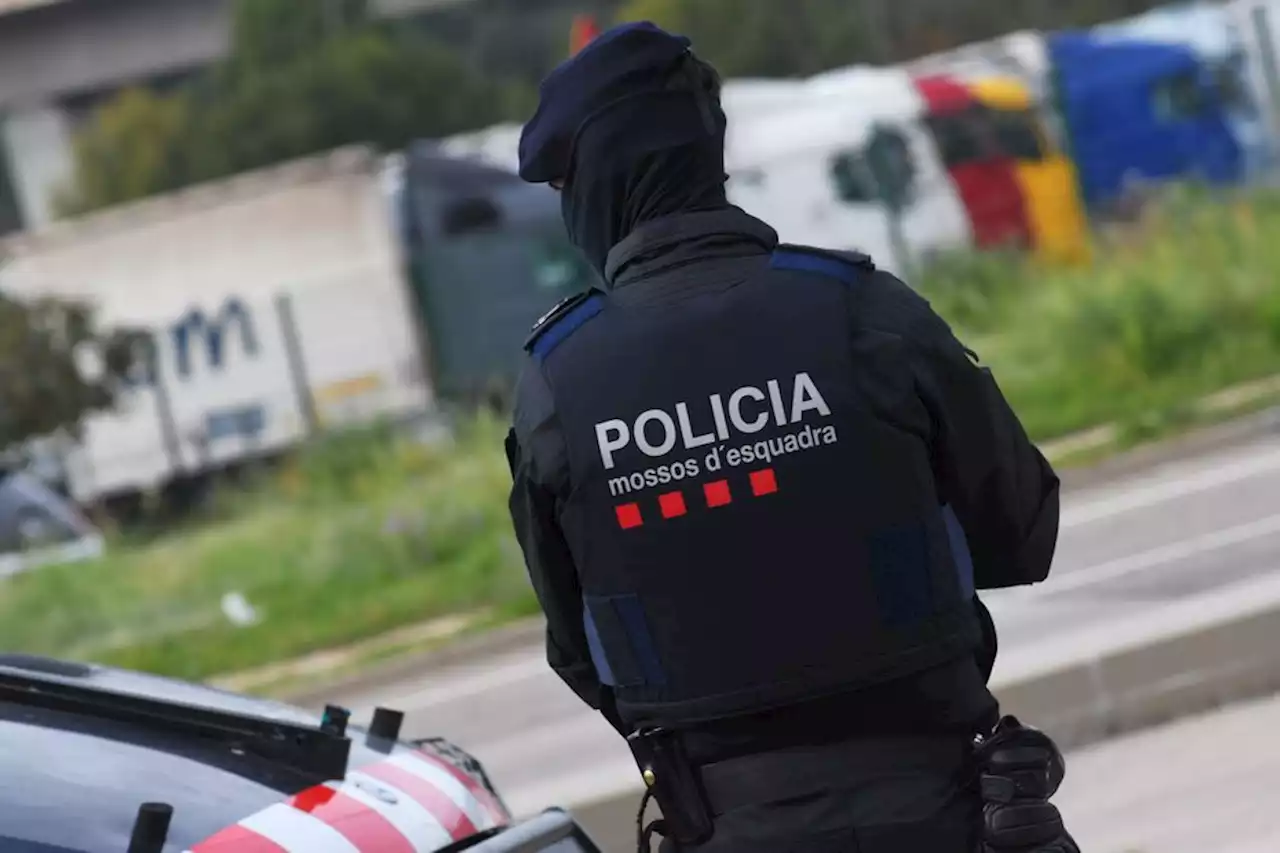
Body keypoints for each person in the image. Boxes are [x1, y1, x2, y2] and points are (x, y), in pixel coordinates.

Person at [504, 21, 1079, 853]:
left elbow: (581, 653)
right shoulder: (864, 311)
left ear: (595, 184)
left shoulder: (556, 385)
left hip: (731, 821)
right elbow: (1024, 532)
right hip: (949, 812)